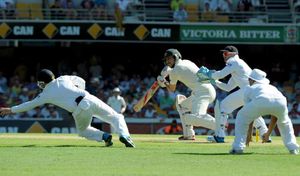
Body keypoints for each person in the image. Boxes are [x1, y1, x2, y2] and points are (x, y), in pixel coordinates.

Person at [0, 69, 135, 148]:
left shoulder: (45, 94)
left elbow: (28, 105)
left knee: (83, 131)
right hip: (90, 98)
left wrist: (10, 110)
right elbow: (81, 80)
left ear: (42, 82)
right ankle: (125, 136)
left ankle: (104, 136)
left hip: (79, 110)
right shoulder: (63, 78)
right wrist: (78, 92)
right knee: (117, 117)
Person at [198, 45, 270, 143]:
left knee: (223, 106)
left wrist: (209, 75)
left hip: (247, 90)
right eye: (223, 53)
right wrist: (213, 81)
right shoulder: (238, 69)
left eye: (225, 53)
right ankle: (265, 135)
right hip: (253, 91)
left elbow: (220, 74)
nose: (224, 56)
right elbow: (228, 87)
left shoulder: (234, 61)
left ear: (234, 54)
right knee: (252, 112)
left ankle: (220, 135)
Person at [230, 69, 299, 154]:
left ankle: (238, 147)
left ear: (253, 80)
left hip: (261, 100)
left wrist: (249, 135)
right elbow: (275, 116)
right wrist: (267, 134)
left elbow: (249, 117)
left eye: (249, 79)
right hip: (281, 101)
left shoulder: (249, 88)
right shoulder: (272, 87)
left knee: (241, 116)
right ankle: (293, 148)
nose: (248, 80)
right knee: (285, 123)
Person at [157, 48, 219, 140]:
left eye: (169, 58)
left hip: (203, 92)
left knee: (196, 118)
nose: (167, 61)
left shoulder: (175, 71)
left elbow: (172, 89)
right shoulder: (187, 62)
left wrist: (163, 81)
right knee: (182, 106)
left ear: (176, 57)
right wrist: (169, 73)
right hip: (202, 91)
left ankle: (220, 125)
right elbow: (185, 72)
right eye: (166, 59)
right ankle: (188, 134)